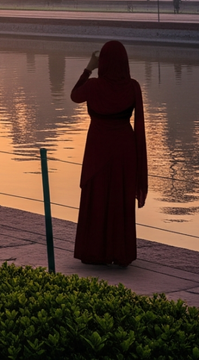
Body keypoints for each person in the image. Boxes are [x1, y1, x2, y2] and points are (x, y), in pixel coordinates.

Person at [69, 41, 148, 266]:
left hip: (98, 145)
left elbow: (75, 96)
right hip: (124, 147)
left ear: (102, 62)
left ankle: (94, 252)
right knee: (120, 198)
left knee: (97, 197)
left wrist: (88, 68)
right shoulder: (133, 87)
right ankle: (120, 252)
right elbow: (139, 124)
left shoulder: (93, 86)